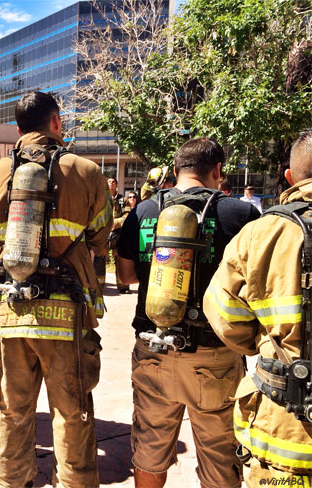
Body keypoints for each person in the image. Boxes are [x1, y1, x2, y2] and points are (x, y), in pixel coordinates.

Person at [0, 91, 111, 487]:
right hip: (66, 314)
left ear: (17, 130)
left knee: (13, 409)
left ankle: (9, 481)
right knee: (72, 412)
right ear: (56, 123)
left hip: (12, 310)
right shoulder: (87, 171)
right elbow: (100, 235)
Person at [117, 138, 261, 488]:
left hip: (154, 347)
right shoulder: (242, 214)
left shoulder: (144, 211)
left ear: (176, 169)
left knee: (149, 452)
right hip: (215, 354)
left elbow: (125, 276)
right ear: (217, 171)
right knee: (220, 463)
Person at [203, 130, 312, 487]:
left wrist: (265, 345)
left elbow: (224, 314)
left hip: (286, 430)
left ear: (291, 177)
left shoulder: (261, 233)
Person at [94, 176, 129, 293]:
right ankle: (99, 285)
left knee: (120, 258)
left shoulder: (123, 200)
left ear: (117, 185)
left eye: (113, 182)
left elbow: (127, 216)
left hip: (118, 233)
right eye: (109, 182)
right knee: (99, 258)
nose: (111, 184)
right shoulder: (100, 198)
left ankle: (123, 285)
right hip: (103, 233)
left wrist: (116, 223)